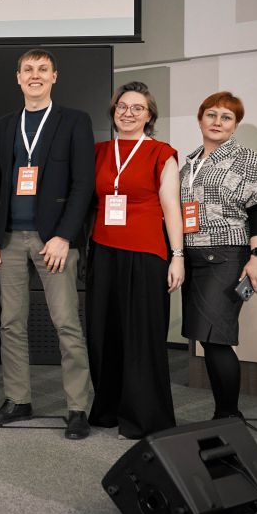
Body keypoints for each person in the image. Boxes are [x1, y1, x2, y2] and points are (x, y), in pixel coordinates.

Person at [0, 49, 95, 440]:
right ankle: (18, 400)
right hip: (10, 238)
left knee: (66, 323)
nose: (35, 75)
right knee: (11, 323)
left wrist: (65, 236)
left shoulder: (75, 121)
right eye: (28, 70)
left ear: (54, 76)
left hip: (55, 241)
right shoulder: (3, 125)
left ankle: (77, 408)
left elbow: (83, 184)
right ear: (18, 77)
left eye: (42, 69)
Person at [87, 81, 184, 440]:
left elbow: (171, 207)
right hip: (104, 250)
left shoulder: (161, 153)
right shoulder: (98, 151)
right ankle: (109, 408)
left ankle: (144, 417)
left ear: (149, 116)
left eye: (137, 108)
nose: (128, 113)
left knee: (142, 337)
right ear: (113, 112)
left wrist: (177, 256)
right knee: (104, 334)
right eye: (122, 107)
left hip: (146, 253)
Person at [180, 92, 257, 421]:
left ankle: (229, 416)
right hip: (192, 256)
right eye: (211, 115)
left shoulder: (246, 159)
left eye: (226, 117)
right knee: (207, 339)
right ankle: (224, 414)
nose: (217, 122)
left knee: (217, 338)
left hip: (226, 256)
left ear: (235, 126)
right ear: (200, 119)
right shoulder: (190, 163)